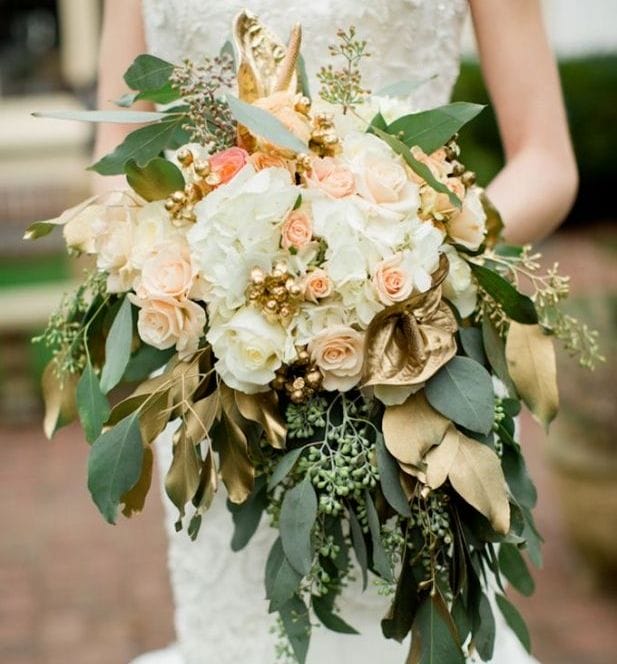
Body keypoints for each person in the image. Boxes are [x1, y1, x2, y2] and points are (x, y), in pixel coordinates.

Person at [93, 2, 578, 663]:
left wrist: (418, 254)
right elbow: (113, 167)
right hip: (225, 383)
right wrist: (201, 279)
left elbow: (546, 160)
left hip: (413, 364)